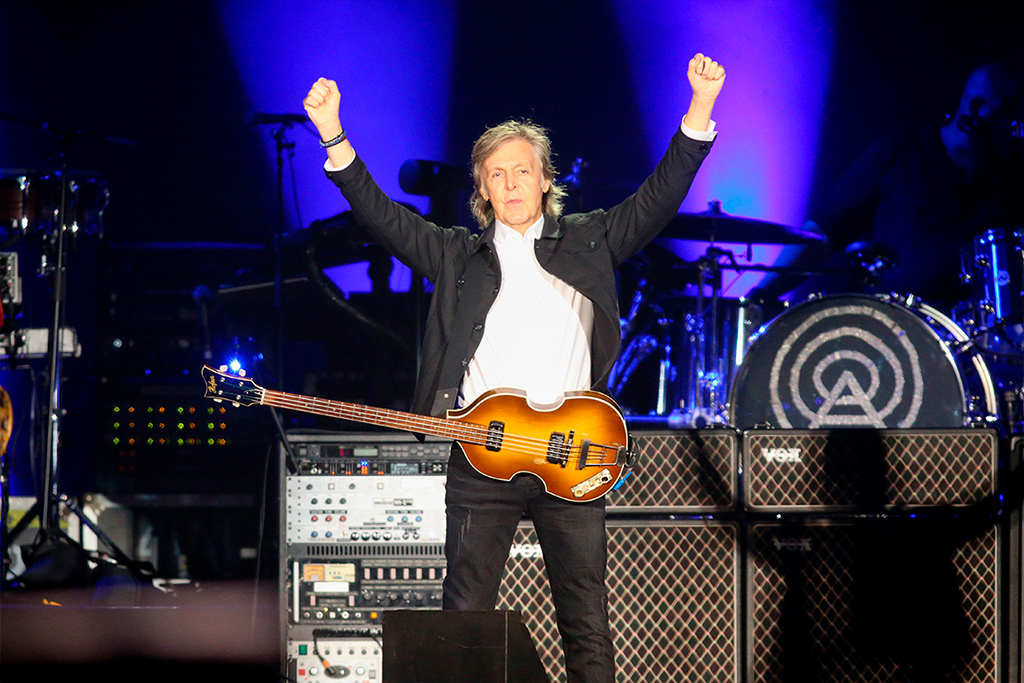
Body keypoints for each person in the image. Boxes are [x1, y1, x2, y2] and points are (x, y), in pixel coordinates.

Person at [303, 53, 724, 682]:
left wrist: (700, 108)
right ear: (482, 189)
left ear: (545, 180)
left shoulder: (590, 238)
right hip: (481, 460)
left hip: (573, 455)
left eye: (522, 171)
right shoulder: (455, 254)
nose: (510, 184)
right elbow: (383, 217)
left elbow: (659, 197)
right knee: (463, 616)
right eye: (496, 175)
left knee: (585, 620)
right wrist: (333, 134)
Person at [802, 62, 1023, 309]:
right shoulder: (899, 153)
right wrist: (767, 292)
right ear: (977, 106)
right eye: (1009, 114)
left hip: (976, 326)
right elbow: (826, 230)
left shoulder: (1013, 178)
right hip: (892, 319)